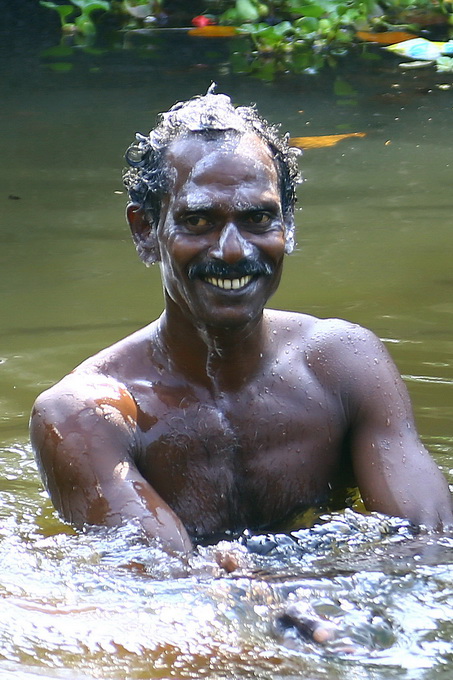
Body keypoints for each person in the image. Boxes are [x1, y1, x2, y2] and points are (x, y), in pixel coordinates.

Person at [30, 88, 453, 558]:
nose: (232, 250)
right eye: (198, 221)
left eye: (258, 218)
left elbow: (428, 543)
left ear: (288, 227)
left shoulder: (346, 365)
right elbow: (167, 586)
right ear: (146, 230)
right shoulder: (86, 416)